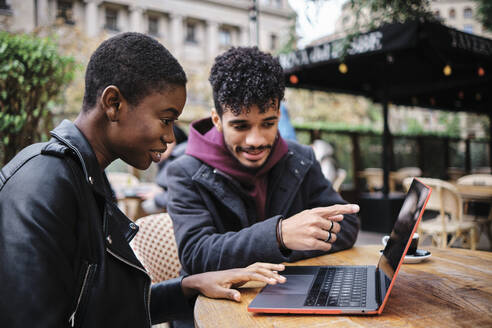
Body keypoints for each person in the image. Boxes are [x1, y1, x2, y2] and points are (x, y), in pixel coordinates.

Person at [0, 33, 286, 328]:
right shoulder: (42, 184)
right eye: (166, 119)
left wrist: (189, 286)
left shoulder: (85, 176)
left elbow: (100, 308)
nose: (171, 137)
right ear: (113, 104)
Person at [166, 47, 360, 276]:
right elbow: (196, 256)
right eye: (241, 126)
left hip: (289, 292)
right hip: (216, 306)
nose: (256, 140)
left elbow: (346, 226)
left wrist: (286, 244)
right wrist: (279, 236)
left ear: (279, 116)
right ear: (217, 120)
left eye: (268, 124)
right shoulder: (184, 172)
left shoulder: (300, 159)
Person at [140, 125, 188, 214]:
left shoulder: (182, 158)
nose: (159, 146)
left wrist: (157, 198)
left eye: (163, 141)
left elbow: (184, 195)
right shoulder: (168, 158)